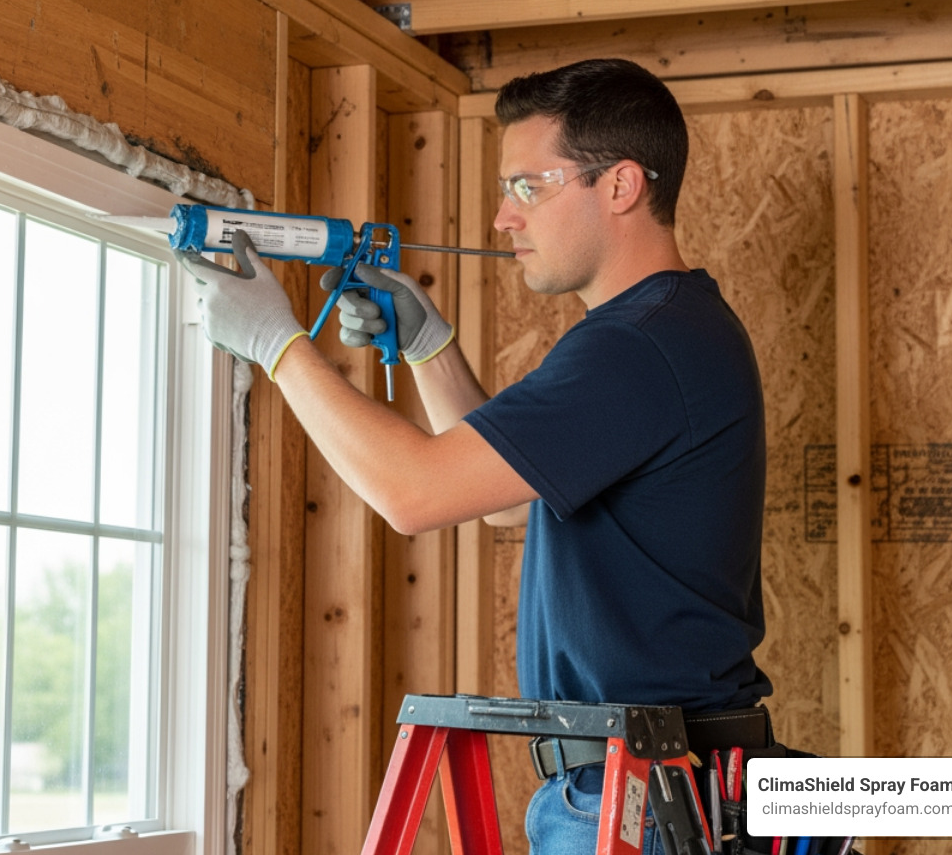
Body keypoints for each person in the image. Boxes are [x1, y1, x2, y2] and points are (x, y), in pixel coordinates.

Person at [178, 58, 773, 855]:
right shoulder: (663, 332)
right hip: (637, 783)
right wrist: (428, 347)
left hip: (645, 796)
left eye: (530, 186)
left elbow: (411, 494)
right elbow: (498, 496)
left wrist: (275, 344)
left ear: (622, 185)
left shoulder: (638, 348)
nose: (503, 218)